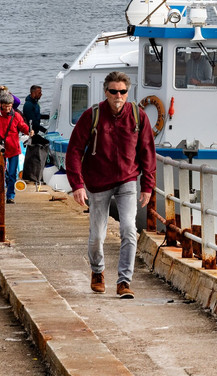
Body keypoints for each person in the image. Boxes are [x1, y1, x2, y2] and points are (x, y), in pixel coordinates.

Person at [65, 72, 156, 299]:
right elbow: (74, 150)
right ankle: (97, 271)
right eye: (114, 91)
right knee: (97, 235)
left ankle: (124, 281)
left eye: (122, 91)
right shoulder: (92, 116)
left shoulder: (138, 116)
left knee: (129, 229)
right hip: (98, 182)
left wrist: (147, 185)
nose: (118, 96)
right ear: (106, 92)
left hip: (127, 180)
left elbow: (147, 151)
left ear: (128, 92)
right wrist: (77, 184)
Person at [0, 92, 30, 204]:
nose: (8, 108)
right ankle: (1, 192)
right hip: (0, 147)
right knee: (0, 172)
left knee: (13, 173)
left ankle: (10, 196)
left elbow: (22, 126)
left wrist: (29, 130)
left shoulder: (16, 115)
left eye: (10, 106)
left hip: (13, 147)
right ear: (1, 105)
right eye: (6, 106)